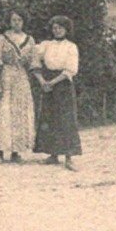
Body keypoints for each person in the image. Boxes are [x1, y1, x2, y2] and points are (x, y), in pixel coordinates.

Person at [0, 12, 36, 163]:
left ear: (24, 22)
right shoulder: (1, 39)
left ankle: (16, 152)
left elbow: (34, 62)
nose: (16, 23)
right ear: (9, 22)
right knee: (2, 113)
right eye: (13, 20)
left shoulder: (29, 40)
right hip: (5, 76)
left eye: (19, 20)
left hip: (21, 78)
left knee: (19, 113)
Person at [34, 15, 82, 171]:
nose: (57, 30)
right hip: (47, 83)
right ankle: (53, 154)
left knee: (66, 119)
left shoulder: (71, 47)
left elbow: (70, 70)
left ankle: (69, 157)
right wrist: (42, 81)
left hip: (63, 85)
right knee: (49, 117)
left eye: (60, 28)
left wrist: (52, 83)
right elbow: (34, 59)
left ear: (66, 29)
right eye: (54, 28)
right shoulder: (46, 45)